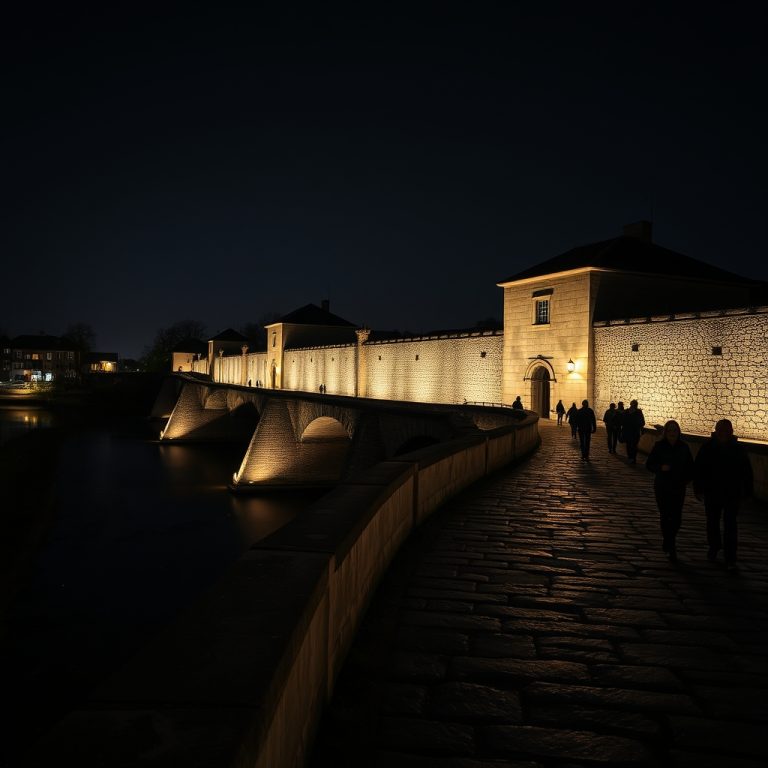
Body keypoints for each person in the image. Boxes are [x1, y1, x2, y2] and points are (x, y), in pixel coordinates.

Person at [693, 419, 753, 570]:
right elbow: (699, 469)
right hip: (712, 492)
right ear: (716, 431)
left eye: (726, 431)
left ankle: (730, 557)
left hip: (732, 493)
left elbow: (746, 471)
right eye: (721, 430)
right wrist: (698, 488)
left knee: (730, 524)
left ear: (731, 432)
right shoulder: (708, 447)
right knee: (712, 522)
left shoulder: (738, 449)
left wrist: (747, 491)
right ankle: (714, 546)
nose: (724, 433)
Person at [646, 420, 694, 562]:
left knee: (677, 518)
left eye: (675, 430)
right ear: (665, 432)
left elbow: (691, 466)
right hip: (662, 486)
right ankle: (670, 545)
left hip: (678, 486)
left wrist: (687, 479)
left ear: (678, 432)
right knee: (665, 515)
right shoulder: (659, 446)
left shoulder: (684, 447)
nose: (672, 433)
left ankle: (668, 540)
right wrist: (660, 468)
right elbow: (649, 464)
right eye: (670, 430)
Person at [622, 399, 645, 464]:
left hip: (633, 432)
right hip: (631, 431)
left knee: (632, 445)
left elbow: (642, 422)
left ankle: (632, 458)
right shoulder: (637, 412)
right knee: (631, 445)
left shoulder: (636, 412)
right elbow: (642, 422)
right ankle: (631, 458)